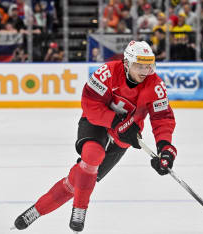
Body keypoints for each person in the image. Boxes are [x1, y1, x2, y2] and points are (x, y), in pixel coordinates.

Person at [13, 41, 177, 233]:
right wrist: (116, 123)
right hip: (97, 121)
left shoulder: (155, 85)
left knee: (77, 183)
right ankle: (80, 208)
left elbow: (162, 118)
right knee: (92, 156)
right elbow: (90, 104)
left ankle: (38, 210)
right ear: (126, 63)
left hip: (125, 134)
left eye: (149, 65)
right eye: (139, 65)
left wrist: (165, 149)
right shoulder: (106, 72)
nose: (145, 70)